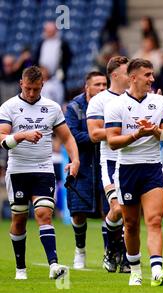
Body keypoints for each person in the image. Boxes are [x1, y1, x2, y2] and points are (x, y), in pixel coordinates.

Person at [0, 66, 79, 280]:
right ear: (21, 85)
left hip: (43, 168)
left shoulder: (52, 108)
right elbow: (2, 140)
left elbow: (67, 137)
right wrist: (23, 135)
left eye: (36, 89)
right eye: (28, 89)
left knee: (44, 214)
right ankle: (20, 269)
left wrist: (75, 159)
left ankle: (54, 265)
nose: (32, 93)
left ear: (42, 85)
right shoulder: (9, 107)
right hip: (18, 170)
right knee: (19, 220)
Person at [105, 58, 163, 286]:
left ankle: (156, 270)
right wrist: (136, 135)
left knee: (154, 220)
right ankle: (135, 270)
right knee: (131, 224)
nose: (152, 79)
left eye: (152, 75)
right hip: (126, 169)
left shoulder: (160, 101)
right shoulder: (116, 105)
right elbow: (113, 142)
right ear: (133, 77)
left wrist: (154, 131)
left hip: (152, 166)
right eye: (147, 75)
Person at [87, 56, 131, 273]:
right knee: (117, 209)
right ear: (115, 75)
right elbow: (94, 134)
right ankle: (112, 249)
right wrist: (121, 130)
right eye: (127, 72)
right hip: (111, 160)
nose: (132, 76)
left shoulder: (139, 98)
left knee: (130, 212)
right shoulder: (99, 101)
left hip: (135, 160)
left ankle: (124, 256)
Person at [65, 71, 108, 270]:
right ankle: (80, 250)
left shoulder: (113, 104)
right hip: (81, 164)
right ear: (87, 87)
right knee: (78, 211)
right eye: (97, 84)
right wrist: (98, 135)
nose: (101, 88)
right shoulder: (74, 107)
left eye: (104, 84)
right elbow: (71, 135)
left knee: (108, 210)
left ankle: (111, 252)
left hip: (105, 163)